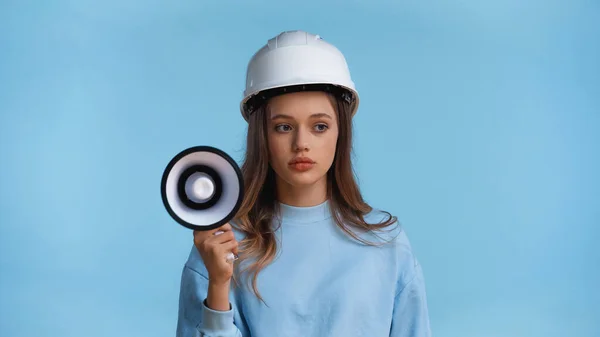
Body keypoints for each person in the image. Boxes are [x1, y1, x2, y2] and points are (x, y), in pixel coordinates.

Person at [175, 30, 431, 337]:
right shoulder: (223, 244)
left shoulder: (386, 243)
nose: (301, 144)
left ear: (341, 133)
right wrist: (218, 283)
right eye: (283, 127)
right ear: (262, 137)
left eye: (319, 126)